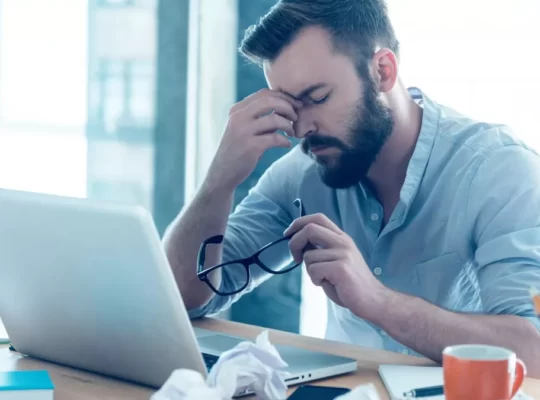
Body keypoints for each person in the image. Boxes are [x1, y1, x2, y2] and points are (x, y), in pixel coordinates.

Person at [163, 0, 540, 375]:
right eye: (290, 108)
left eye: (318, 98)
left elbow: (534, 349)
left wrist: (377, 301)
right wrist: (218, 181)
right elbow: (184, 298)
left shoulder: (499, 170)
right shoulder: (303, 172)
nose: (300, 129)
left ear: (383, 71)